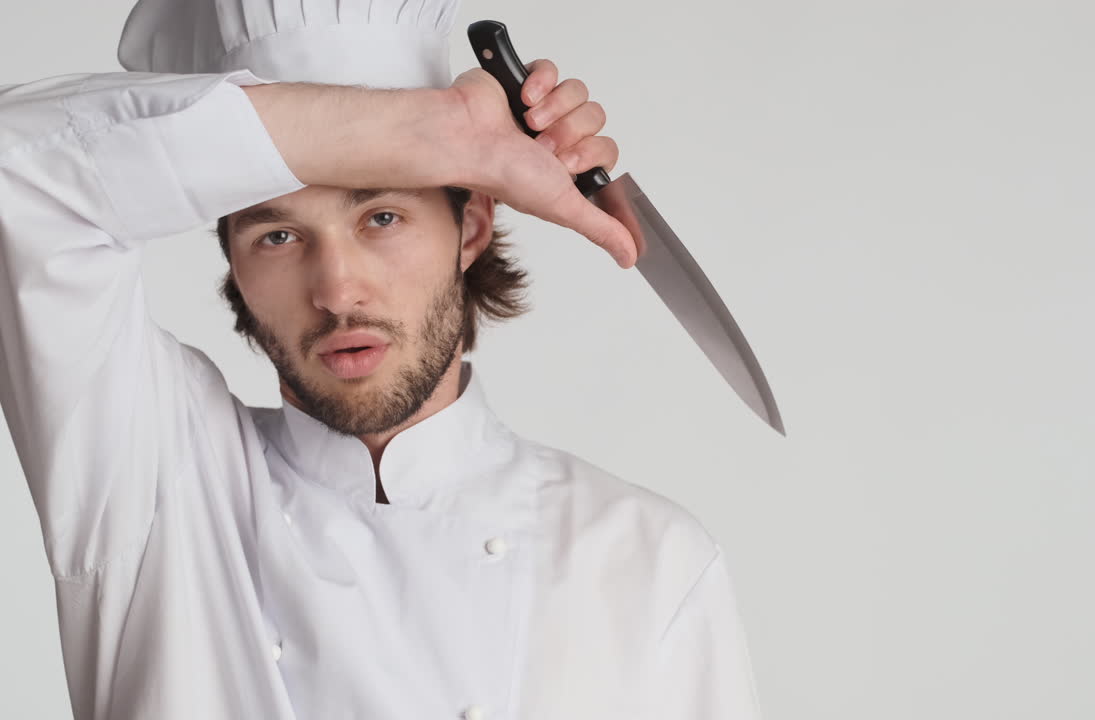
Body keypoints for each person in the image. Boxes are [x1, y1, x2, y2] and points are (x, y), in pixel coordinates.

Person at [0, 1, 762, 719]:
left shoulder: (647, 560)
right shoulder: (154, 484)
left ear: (469, 231)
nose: (336, 290)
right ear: (232, 260)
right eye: (278, 234)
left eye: (383, 216)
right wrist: (438, 127)